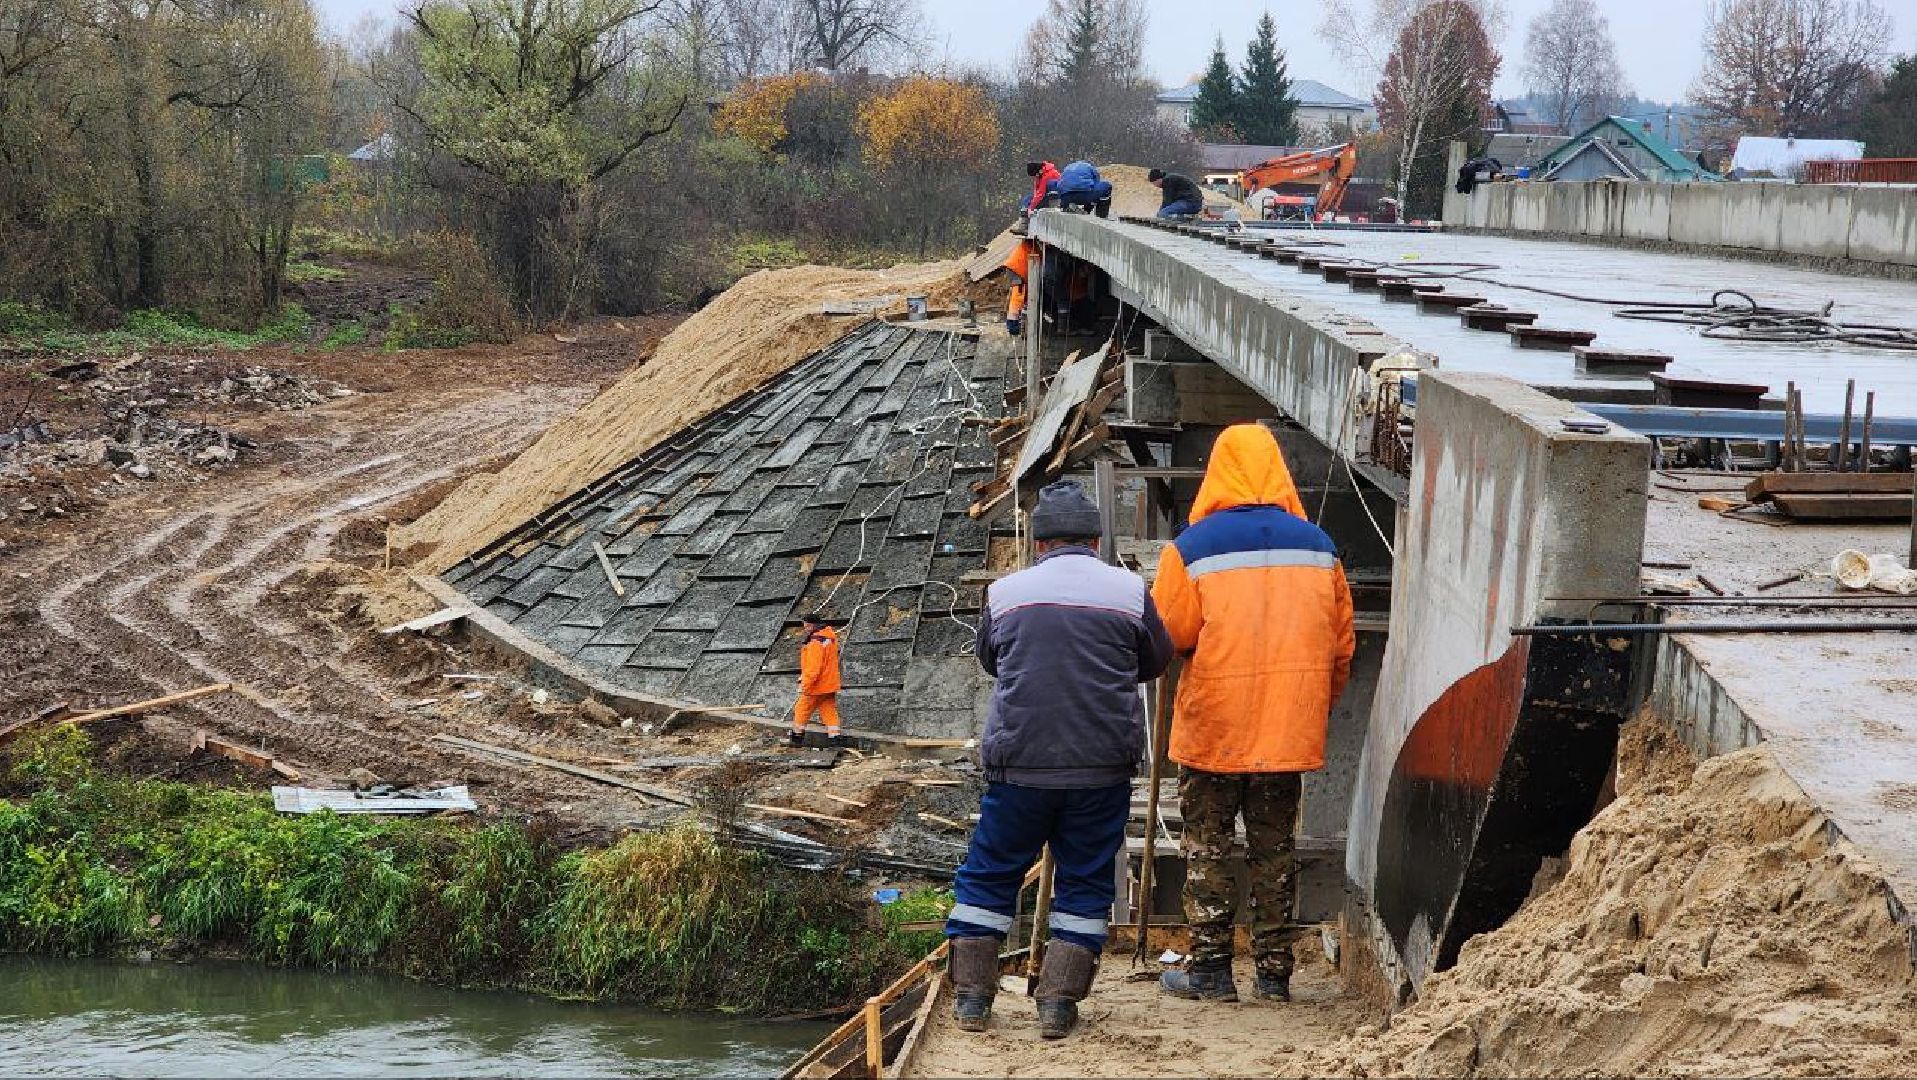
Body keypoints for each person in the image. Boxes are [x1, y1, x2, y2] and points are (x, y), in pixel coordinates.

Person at [945, 480, 1174, 1040]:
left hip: (1020, 766)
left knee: (990, 873)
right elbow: (1156, 660)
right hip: (1100, 767)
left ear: (1040, 542)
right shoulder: (1128, 590)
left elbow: (992, 661)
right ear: (1095, 538)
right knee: (1087, 881)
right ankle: (1057, 1005)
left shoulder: (1006, 592)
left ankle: (973, 999)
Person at [1152, 424, 1355, 1004]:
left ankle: (1211, 973)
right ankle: (1274, 975)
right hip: (1284, 733)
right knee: (1274, 851)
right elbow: (1340, 647)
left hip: (1214, 727)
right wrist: (1311, 706)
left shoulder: (1190, 550)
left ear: (1219, 471)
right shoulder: (1319, 547)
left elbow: (1169, 637)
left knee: (1208, 848)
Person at [789, 613, 842, 746]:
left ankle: (797, 738)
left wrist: (805, 686)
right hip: (829, 684)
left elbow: (813, 669)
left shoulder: (815, 643)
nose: (805, 628)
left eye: (807, 625)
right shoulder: (829, 637)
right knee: (828, 710)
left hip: (817, 686)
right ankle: (835, 739)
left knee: (801, 709)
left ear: (813, 625)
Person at [1046, 160, 1113, 218]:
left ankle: (1061, 206)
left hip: (1065, 197)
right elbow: (1095, 185)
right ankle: (1101, 216)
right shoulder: (1090, 167)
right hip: (1084, 196)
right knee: (1106, 187)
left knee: (1052, 183)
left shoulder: (1067, 167)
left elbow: (1061, 183)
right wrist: (1087, 209)